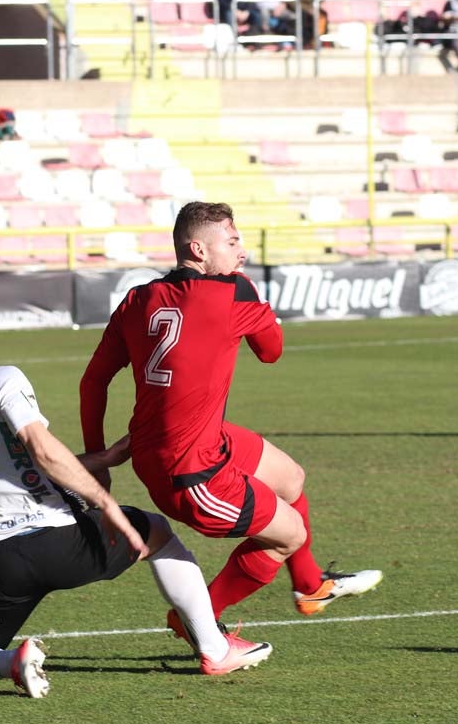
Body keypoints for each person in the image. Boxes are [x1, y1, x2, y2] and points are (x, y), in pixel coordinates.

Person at [0, 296, 273, 697]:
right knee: (155, 530)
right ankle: (215, 648)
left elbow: (17, 470)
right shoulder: (1, 378)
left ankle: (11, 661)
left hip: (4, 558)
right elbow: (42, 450)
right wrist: (104, 502)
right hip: (59, 542)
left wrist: (101, 458)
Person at [79, 202, 382, 633]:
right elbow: (271, 351)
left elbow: (92, 382)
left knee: (291, 477)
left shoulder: (138, 298)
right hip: (189, 472)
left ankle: (311, 585)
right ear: (199, 249)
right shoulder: (232, 291)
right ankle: (197, 622)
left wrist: (99, 461)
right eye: (233, 242)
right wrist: (254, 301)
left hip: (180, 443)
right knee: (289, 534)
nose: (242, 253)